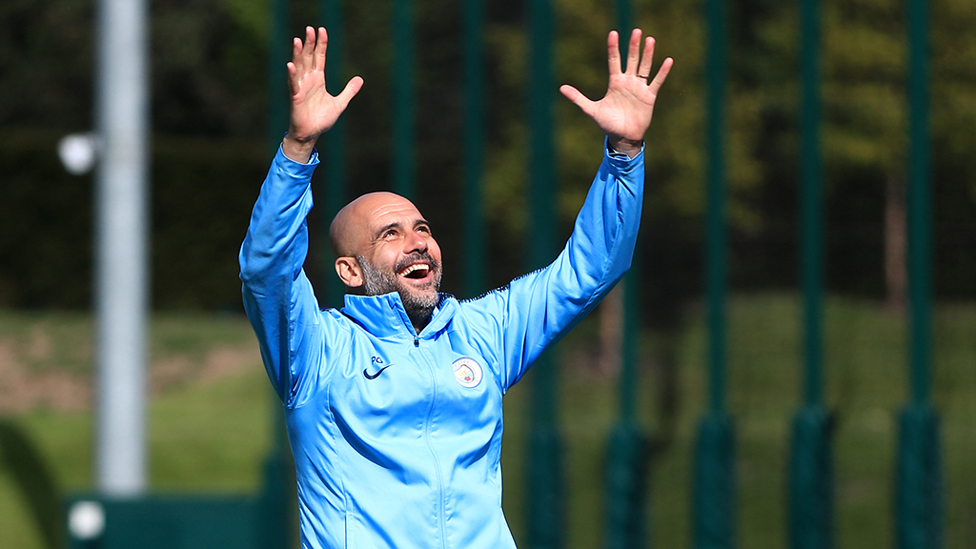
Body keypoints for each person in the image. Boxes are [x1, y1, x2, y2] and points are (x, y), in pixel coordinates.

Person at [240, 25, 671, 549]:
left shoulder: (482, 332)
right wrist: (298, 148)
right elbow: (267, 269)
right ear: (350, 272)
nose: (417, 243)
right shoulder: (317, 351)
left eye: (422, 228)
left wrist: (625, 152)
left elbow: (590, 270)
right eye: (390, 235)